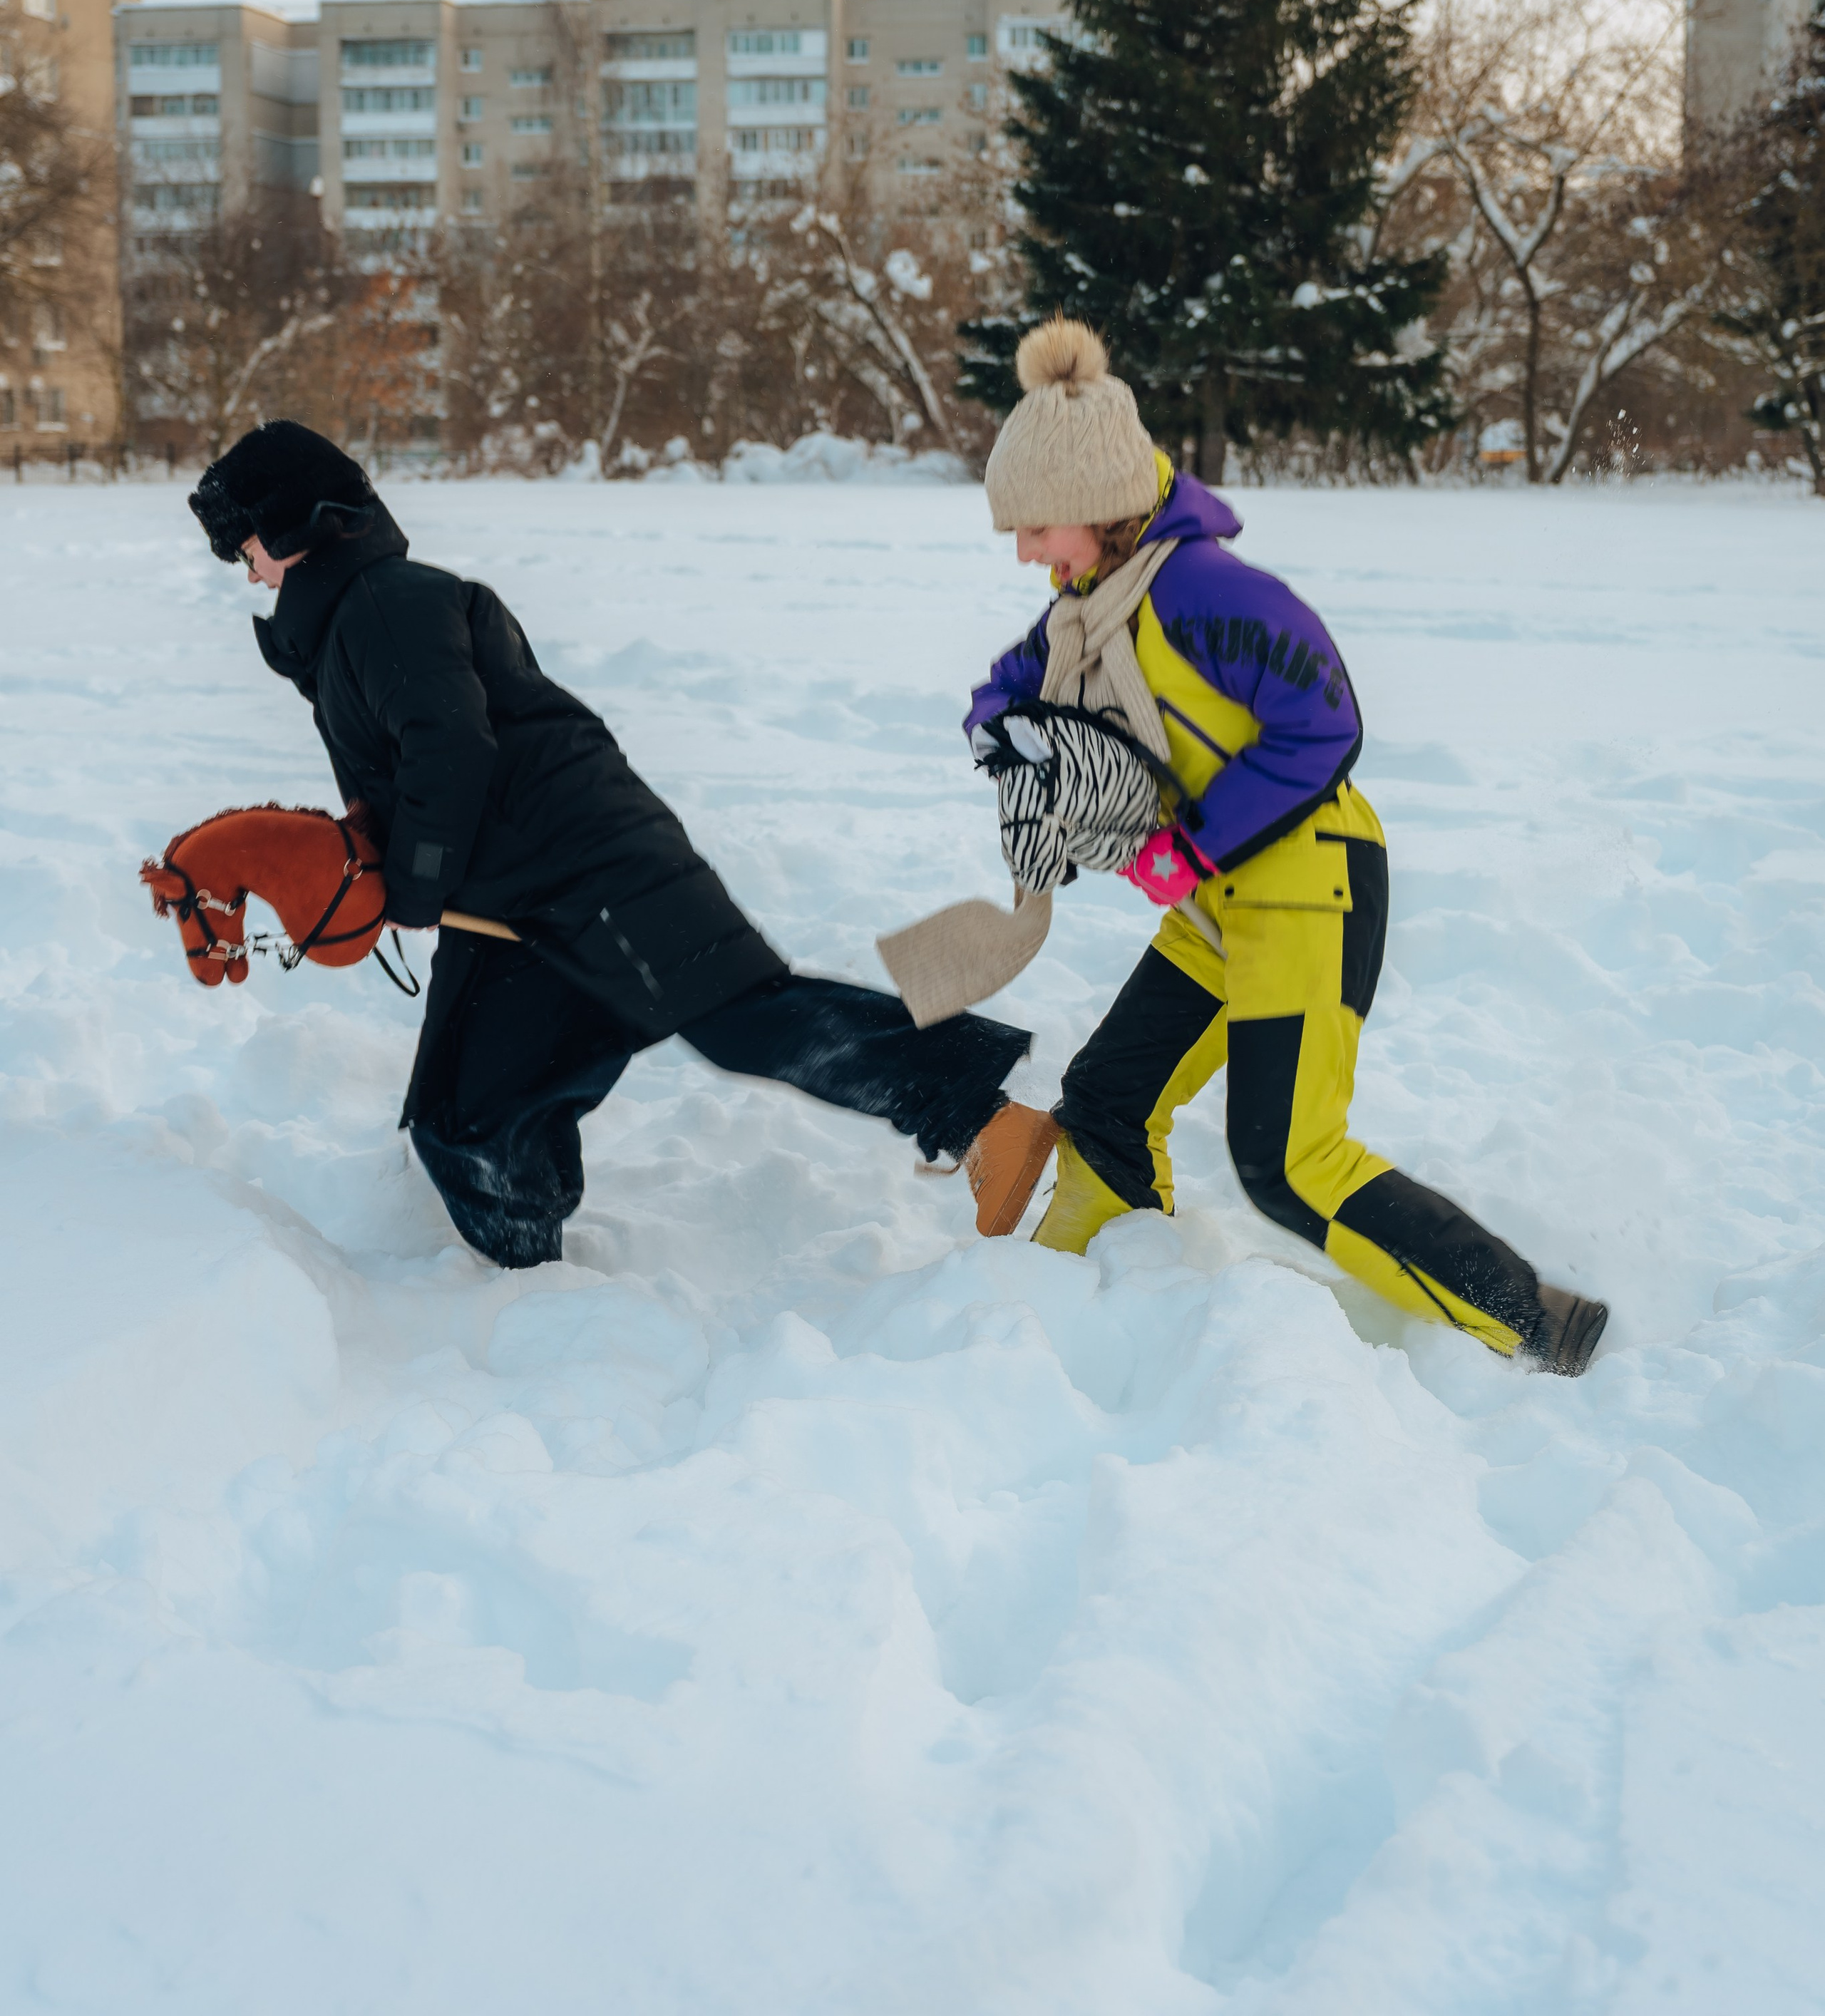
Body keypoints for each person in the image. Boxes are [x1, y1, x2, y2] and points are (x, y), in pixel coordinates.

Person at [187, 421, 1057, 1266]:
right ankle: (523, 1284)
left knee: (748, 1019)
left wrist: (408, 886)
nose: (245, 565)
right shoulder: (352, 619)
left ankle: (984, 1119)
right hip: (513, 902)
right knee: (467, 1113)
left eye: (247, 542)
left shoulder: (387, 603)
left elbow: (449, 747)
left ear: (298, 522)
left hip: (591, 867)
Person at [962, 319, 1609, 1376]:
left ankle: (1535, 1325)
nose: (1027, 554)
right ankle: (1071, 1304)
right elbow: (1005, 686)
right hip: (1222, 909)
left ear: (1099, 506)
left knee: (1288, 1164)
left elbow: (1329, 725)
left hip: (1312, 888)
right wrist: (1014, 739)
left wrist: (1191, 854)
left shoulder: (1206, 591)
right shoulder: (1086, 609)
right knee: (1112, 1103)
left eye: (1035, 529)